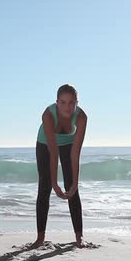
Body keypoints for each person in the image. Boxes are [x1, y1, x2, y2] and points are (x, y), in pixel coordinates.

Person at [32, 84, 88, 248]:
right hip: (45, 144)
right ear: (57, 102)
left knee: (72, 188)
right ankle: (40, 238)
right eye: (63, 102)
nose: (67, 107)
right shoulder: (48, 114)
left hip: (69, 145)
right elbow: (53, 150)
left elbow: (75, 153)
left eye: (71, 102)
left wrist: (75, 184)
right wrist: (55, 182)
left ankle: (79, 237)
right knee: (45, 187)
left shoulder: (81, 117)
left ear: (77, 102)